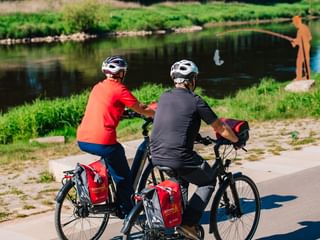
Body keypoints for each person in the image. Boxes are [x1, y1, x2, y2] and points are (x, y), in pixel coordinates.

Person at [150, 59, 242, 240]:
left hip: (156, 155)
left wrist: (196, 137)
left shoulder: (164, 97)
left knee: (181, 181)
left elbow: (175, 122)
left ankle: (177, 224)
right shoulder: (196, 101)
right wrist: (236, 140)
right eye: (195, 78)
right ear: (191, 80)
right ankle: (188, 224)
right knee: (208, 181)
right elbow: (221, 127)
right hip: (179, 156)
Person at [77, 56, 155, 218]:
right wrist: (157, 113)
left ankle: (108, 189)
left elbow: (108, 106)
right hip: (103, 141)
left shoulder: (98, 87)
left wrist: (123, 112)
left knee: (113, 162)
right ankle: (126, 211)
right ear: (121, 73)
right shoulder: (119, 89)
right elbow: (141, 108)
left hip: (83, 139)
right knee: (124, 176)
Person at [291, 15, 312, 81]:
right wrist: (295, 41)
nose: (294, 25)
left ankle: (299, 78)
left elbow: (299, 41)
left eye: (294, 23)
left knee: (299, 62)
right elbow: (310, 37)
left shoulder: (300, 30)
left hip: (303, 48)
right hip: (307, 46)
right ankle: (307, 76)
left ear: (297, 22)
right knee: (306, 62)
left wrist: (294, 42)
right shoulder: (305, 27)